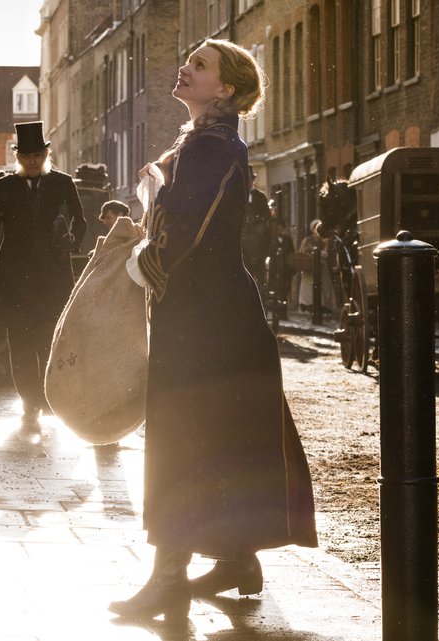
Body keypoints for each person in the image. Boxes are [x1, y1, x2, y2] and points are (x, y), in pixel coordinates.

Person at [113, 38, 316, 623]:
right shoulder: (205, 142)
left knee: (182, 438)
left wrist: (145, 262)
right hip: (212, 311)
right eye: (189, 60)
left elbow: (186, 229)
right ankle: (236, 562)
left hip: (204, 315)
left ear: (226, 88)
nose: (186, 67)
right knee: (224, 437)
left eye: (200, 65)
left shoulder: (212, 145)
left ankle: (168, 581)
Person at [0, 121, 87, 429]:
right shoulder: (4, 187)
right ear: (18, 157)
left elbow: (80, 221)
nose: (32, 161)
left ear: (46, 154)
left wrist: (71, 242)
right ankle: (30, 404)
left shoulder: (63, 183)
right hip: (14, 279)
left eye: (37, 155)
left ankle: (48, 398)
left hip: (53, 278)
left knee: (49, 342)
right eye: (26, 156)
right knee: (20, 344)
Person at [296, 218, 334, 314]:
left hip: (321, 266)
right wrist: (307, 251)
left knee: (324, 285)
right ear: (313, 229)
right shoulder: (307, 239)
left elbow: (326, 253)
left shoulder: (324, 240)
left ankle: (323, 306)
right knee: (308, 287)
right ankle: (307, 306)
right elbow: (301, 252)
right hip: (309, 267)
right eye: (317, 227)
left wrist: (318, 252)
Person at [242, 166, 271, 287]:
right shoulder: (238, 196)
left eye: (250, 179)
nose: (248, 182)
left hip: (257, 238)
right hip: (243, 236)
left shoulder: (260, 197)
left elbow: (266, 217)